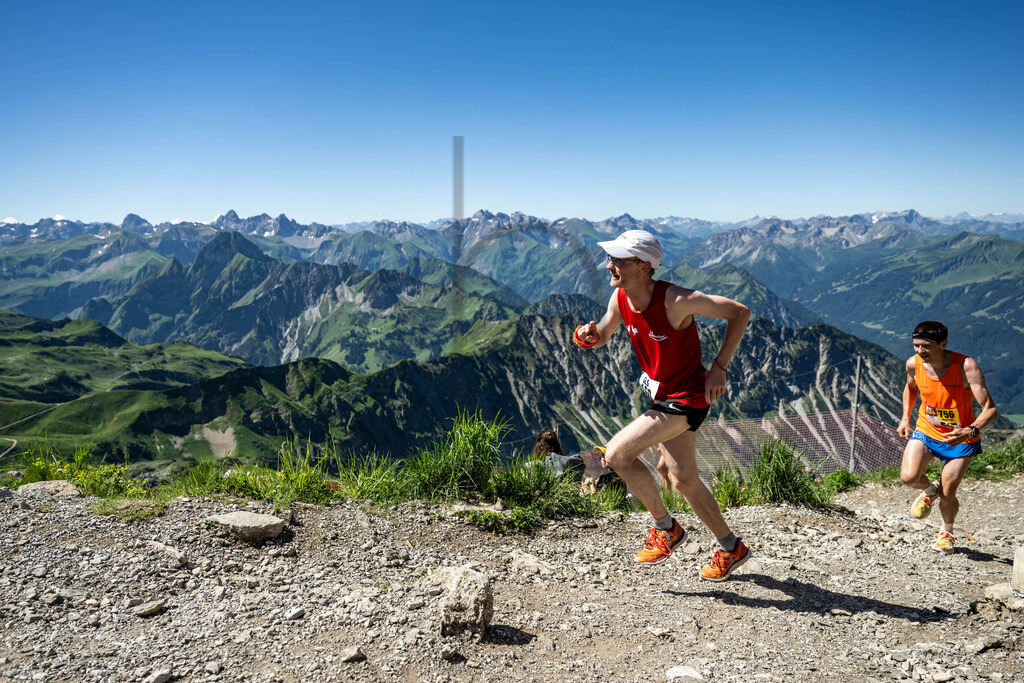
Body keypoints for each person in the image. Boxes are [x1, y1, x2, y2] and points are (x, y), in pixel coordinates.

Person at [573, 230, 752, 581]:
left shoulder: (676, 300)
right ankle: (732, 548)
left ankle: (665, 527)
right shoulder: (621, 298)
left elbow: (740, 312)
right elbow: (605, 333)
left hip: (687, 400)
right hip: (663, 397)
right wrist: (589, 337)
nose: (609, 265)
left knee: (616, 455)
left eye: (618, 260)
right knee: (684, 480)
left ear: (643, 266)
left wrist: (719, 367)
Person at [896, 320, 998, 554]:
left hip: (961, 439)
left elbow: (990, 409)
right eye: (916, 345)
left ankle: (946, 531)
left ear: (943, 344)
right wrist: (905, 418)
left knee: (949, 493)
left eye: (926, 346)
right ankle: (930, 490)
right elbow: (911, 387)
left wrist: (970, 430)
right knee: (909, 477)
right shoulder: (913, 364)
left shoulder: (966, 367)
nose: (920, 351)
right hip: (927, 429)